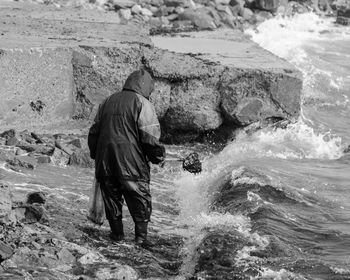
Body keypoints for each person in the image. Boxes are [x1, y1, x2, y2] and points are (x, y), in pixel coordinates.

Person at [88, 69, 165, 246]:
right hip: (132, 165)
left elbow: (93, 133)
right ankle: (140, 240)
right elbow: (150, 137)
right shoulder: (143, 103)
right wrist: (158, 156)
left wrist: (96, 155)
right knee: (140, 201)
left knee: (112, 201)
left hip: (105, 163)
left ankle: (116, 237)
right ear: (145, 87)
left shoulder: (107, 101)